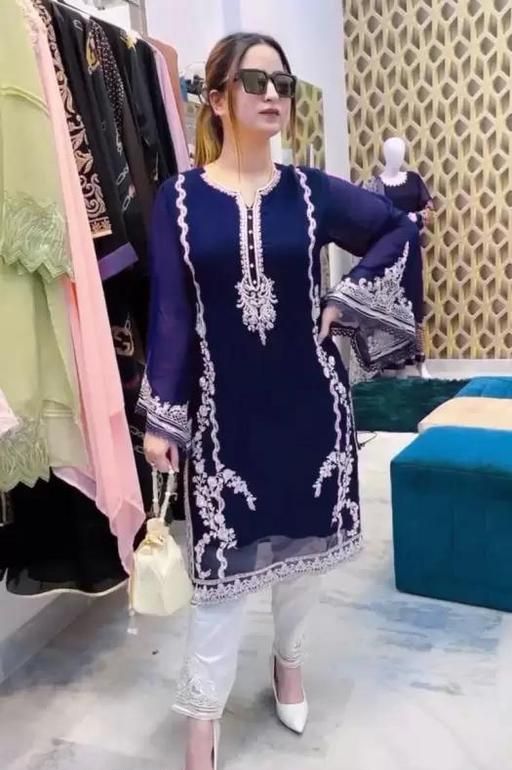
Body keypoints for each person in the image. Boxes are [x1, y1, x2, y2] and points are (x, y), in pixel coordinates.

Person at [139, 31, 418, 770]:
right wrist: (163, 415)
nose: (273, 95)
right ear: (218, 97)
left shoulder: (310, 190)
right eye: (256, 81)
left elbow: (396, 229)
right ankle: (202, 725)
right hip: (225, 419)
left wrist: (347, 301)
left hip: (310, 408)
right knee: (220, 577)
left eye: (283, 84)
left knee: (303, 559)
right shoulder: (179, 201)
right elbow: (170, 313)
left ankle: (288, 664)